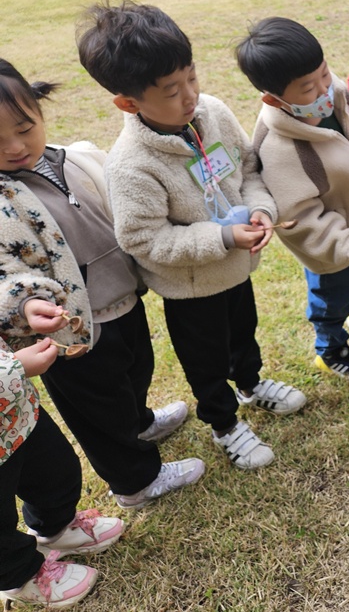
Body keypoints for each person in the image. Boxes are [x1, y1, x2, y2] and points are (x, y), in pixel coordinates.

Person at [76, 0, 306, 471]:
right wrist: (221, 239)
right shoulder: (131, 165)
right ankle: (223, 422)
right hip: (191, 287)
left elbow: (248, 167)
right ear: (128, 102)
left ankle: (250, 383)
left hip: (237, 268)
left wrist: (260, 209)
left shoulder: (213, 112)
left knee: (243, 331)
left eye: (192, 78)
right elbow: (144, 240)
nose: (189, 97)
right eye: (171, 90)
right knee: (206, 360)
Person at [0, 59, 204, 508]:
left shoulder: (73, 157)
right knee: (99, 409)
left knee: (134, 371)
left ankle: (140, 421)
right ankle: (135, 481)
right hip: (69, 330)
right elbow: (4, 274)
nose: (15, 147)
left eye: (24, 128)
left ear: (38, 109)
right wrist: (26, 304)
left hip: (122, 299)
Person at [237, 17, 349, 379]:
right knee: (331, 298)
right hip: (331, 245)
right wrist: (348, 245)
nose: (324, 89)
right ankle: (330, 348)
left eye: (324, 73)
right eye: (308, 88)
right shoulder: (280, 148)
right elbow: (300, 219)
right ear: (273, 99)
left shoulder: (334, 95)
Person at [1, 336, 123, 608]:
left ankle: (54, 527)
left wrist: (22, 316)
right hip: (8, 382)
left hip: (16, 411)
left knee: (54, 470)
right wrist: (14, 369)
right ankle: (17, 577)